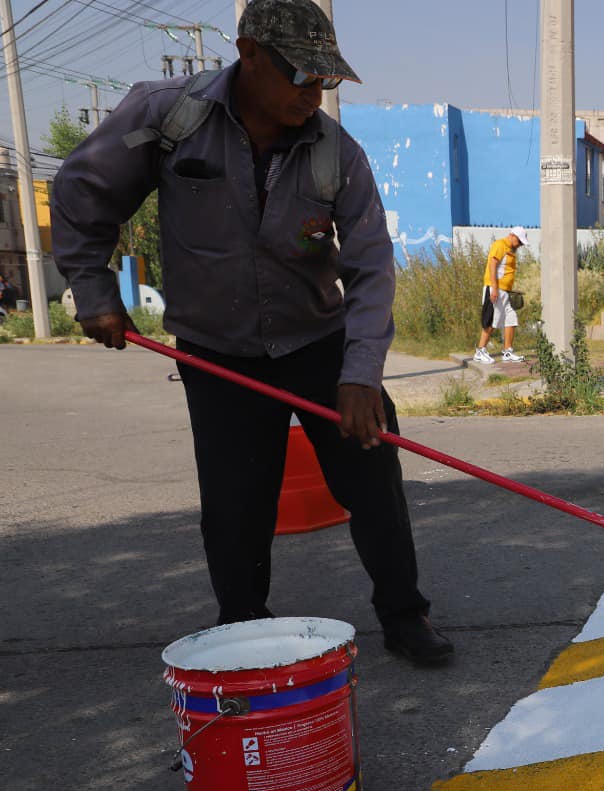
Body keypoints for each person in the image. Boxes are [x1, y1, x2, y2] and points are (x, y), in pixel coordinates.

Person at [52, 0, 453, 665]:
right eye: (300, 75)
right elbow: (82, 188)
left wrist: (360, 377)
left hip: (317, 345)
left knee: (374, 481)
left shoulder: (338, 156)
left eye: (323, 80)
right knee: (236, 503)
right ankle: (243, 633)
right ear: (250, 55)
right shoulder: (168, 116)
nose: (312, 93)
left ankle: (406, 617)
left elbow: (371, 267)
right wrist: (93, 291)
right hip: (217, 352)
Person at [472, 226, 529, 364]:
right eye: (520, 242)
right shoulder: (499, 245)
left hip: (504, 291)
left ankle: (507, 352)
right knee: (490, 320)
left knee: (511, 318)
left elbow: (505, 271)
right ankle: (480, 351)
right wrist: (495, 288)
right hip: (494, 289)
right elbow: (492, 265)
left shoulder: (510, 250)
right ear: (513, 236)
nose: (520, 245)